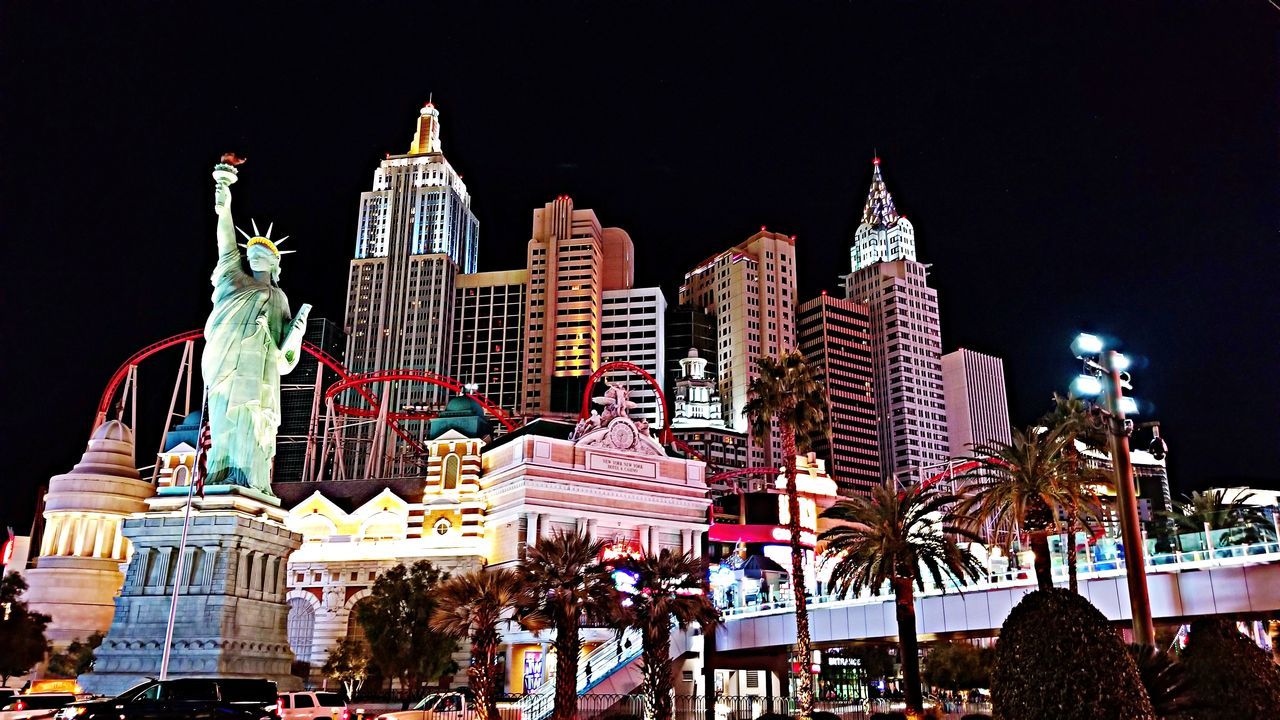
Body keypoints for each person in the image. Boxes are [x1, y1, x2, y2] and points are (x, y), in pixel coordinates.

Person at [202, 157, 310, 494]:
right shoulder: (234, 279)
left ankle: (251, 481)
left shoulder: (279, 299)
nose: (254, 253)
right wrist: (225, 196)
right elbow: (224, 240)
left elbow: (283, 358)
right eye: (251, 250)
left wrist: (298, 333)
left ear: (276, 263)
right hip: (226, 365)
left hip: (260, 376)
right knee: (224, 424)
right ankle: (220, 476)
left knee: (254, 424)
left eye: (263, 252)